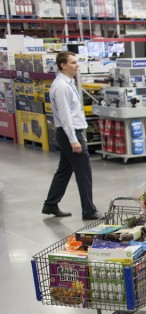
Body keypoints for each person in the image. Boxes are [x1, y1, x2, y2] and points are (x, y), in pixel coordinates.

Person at [42, 51, 102, 220]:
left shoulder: (67, 83)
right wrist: (74, 140)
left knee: (64, 170)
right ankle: (89, 210)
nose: (77, 65)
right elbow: (65, 116)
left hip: (70, 133)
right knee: (84, 172)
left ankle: (50, 204)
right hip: (70, 133)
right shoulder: (61, 86)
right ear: (63, 65)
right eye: (73, 62)